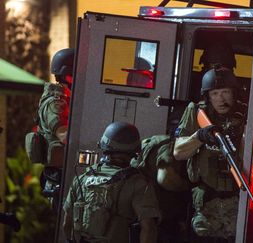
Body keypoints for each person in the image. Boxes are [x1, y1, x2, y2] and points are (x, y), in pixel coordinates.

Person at [173, 66, 246, 242]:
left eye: (226, 92)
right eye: (215, 93)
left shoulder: (245, 115)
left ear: (233, 93)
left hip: (236, 200)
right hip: (205, 201)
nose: (221, 99)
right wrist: (199, 136)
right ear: (208, 96)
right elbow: (178, 152)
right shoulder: (197, 112)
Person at [63, 121, 160, 243]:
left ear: (104, 145)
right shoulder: (138, 183)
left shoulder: (83, 177)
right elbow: (149, 228)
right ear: (134, 150)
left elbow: (67, 224)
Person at [24, 48, 74, 209]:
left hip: (60, 173)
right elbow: (65, 136)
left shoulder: (62, 99)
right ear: (68, 74)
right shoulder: (56, 103)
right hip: (58, 175)